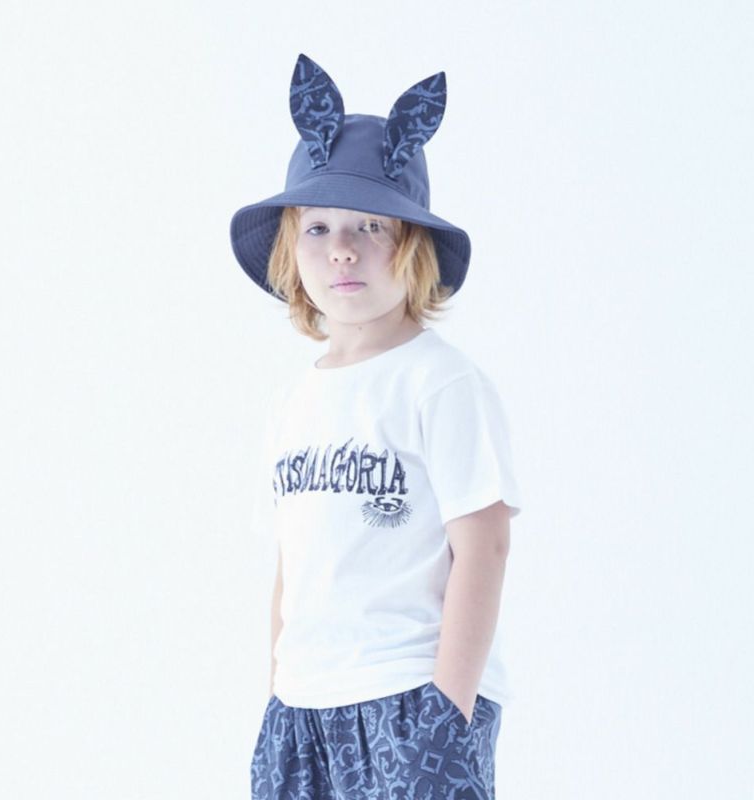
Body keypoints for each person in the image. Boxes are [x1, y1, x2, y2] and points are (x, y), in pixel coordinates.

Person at [230, 52, 523, 800]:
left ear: (413, 246)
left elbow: (484, 544)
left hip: (410, 692)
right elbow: (291, 567)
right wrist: (277, 694)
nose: (343, 248)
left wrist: (447, 710)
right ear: (291, 251)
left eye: (371, 225)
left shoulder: (440, 382)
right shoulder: (294, 402)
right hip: (303, 707)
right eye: (318, 227)